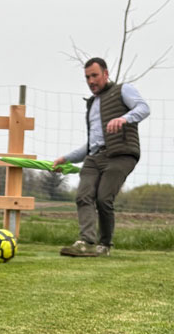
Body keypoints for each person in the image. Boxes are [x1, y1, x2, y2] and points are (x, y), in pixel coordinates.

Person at [53, 58, 150, 257]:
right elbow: (91, 144)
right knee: (83, 195)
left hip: (120, 154)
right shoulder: (91, 104)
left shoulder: (123, 90)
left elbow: (143, 108)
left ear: (105, 74)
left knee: (103, 198)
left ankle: (104, 244)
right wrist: (66, 158)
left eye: (95, 75)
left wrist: (124, 118)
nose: (91, 81)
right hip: (94, 157)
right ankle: (86, 242)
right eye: (87, 77)